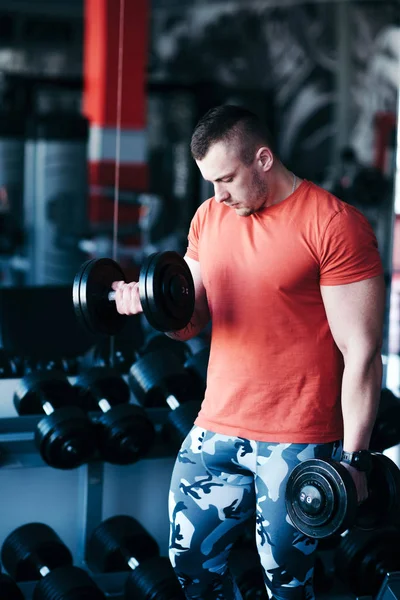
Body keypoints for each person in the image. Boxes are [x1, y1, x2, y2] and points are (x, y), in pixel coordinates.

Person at [112, 105, 385, 600]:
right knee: (189, 565)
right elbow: (188, 322)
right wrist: (151, 304)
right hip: (215, 426)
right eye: (210, 182)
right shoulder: (209, 217)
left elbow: (362, 352)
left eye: (227, 179)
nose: (218, 195)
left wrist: (355, 460)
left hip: (296, 438)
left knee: (287, 582)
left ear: (263, 158)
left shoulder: (334, 225)